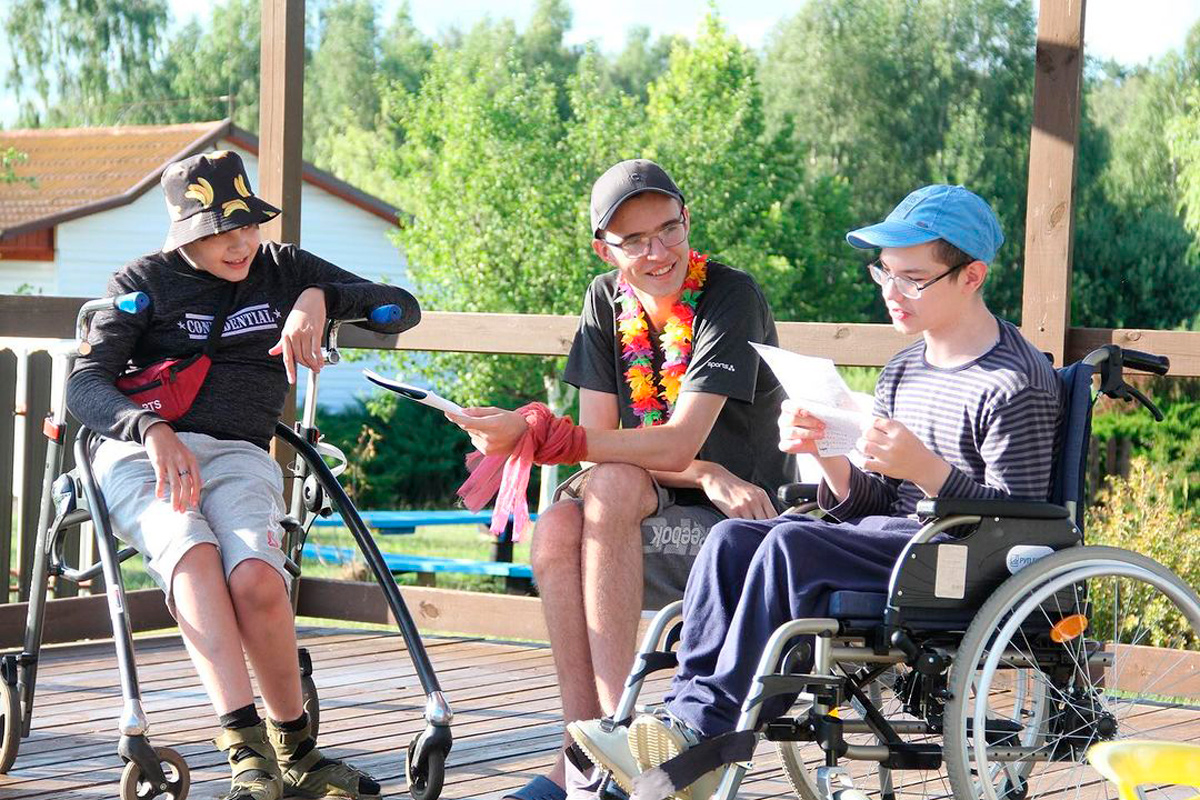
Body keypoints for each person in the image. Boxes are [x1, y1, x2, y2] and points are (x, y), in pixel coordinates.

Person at [565, 184, 1064, 800]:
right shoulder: (904, 369)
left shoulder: (1015, 382)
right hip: (893, 540)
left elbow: (1019, 524)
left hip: (956, 559)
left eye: (912, 279)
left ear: (971, 276)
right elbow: (875, 502)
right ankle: (681, 719)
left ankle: (703, 732)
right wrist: (828, 456)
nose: (891, 291)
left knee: (788, 548)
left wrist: (927, 470)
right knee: (733, 539)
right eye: (884, 273)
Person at [67, 150, 420, 800]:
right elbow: (84, 385)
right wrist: (150, 429)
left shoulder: (283, 269)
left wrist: (319, 298)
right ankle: (246, 755)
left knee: (257, 578)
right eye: (220, 231)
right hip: (143, 452)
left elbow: (402, 308)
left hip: (239, 454)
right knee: (193, 554)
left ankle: (299, 754)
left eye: (248, 225)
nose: (240, 243)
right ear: (184, 233)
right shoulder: (141, 281)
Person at [447, 159, 793, 800]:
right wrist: (703, 470)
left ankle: (617, 741)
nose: (657, 253)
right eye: (634, 241)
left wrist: (543, 435)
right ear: (604, 248)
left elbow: (670, 438)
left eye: (668, 230)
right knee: (556, 526)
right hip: (659, 498)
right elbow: (599, 441)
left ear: (687, 220)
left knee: (606, 486)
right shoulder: (605, 299)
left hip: (738, 526)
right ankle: (582, 755)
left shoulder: (730, 295)